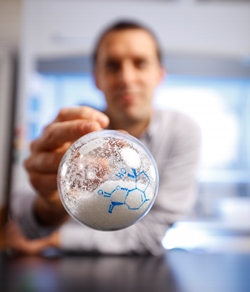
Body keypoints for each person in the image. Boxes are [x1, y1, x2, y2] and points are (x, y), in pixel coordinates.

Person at [10, 20, 201, 256]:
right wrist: (51, 208)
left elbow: (152, 233)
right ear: (97, 78)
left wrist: (56, 239)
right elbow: (20, 218)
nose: (127, 78)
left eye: (140, 63)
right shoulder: (76, 131)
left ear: (159, 75)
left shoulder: (180, 131)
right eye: (112, 65)